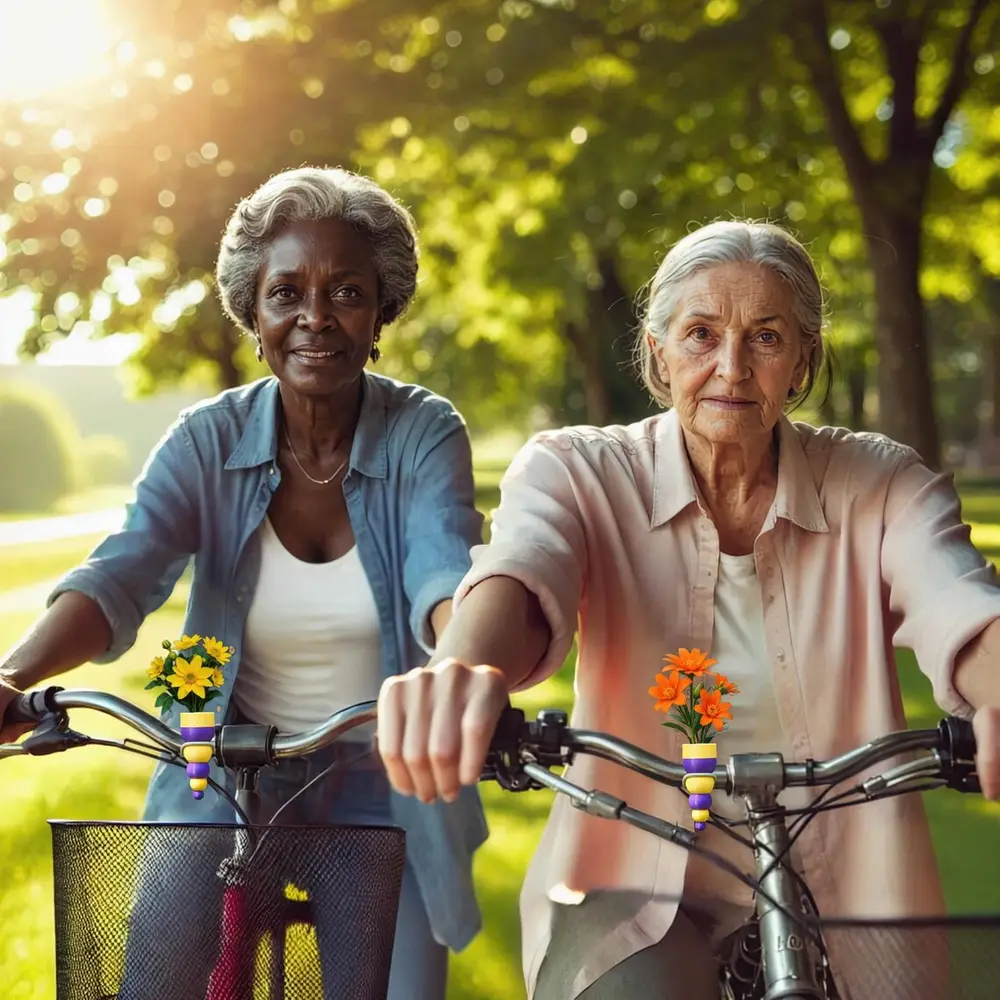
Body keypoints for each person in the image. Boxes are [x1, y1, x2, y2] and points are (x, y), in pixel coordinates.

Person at [376, 219, 1000, 1000]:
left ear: (803, 358)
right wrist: (463, 666)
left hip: (854, 886)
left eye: (766, 337)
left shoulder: (879, 484)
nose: (731, 368)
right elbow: (521, 572)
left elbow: (956, 595)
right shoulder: (578, 472)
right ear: (658, 351)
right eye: (701, 334)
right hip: (628, 883)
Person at [0, 166, 487, 1000]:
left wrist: (458, 674)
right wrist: (13, 676)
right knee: (151, 978)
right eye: (286, 292)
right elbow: (122, 572)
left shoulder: (423, 431)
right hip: (223, 762)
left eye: (346, 292)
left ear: (380, 314)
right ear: (253, 315)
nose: (315, 317)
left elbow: (444, 572)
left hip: (386, 773)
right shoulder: (206, 439)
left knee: (400, 990)